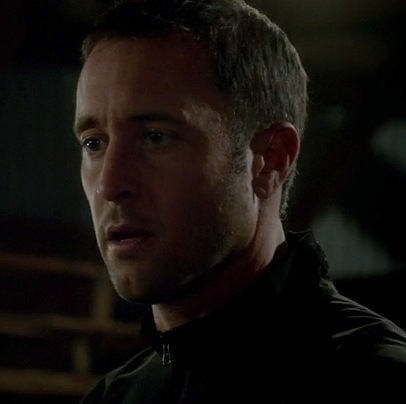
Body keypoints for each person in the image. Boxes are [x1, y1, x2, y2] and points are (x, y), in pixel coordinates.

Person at [73, 0, 406, 402]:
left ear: (270, 161)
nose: (109, 185)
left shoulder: (372, 380)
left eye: (156, 137)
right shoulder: (115, 398)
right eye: (94, 144)